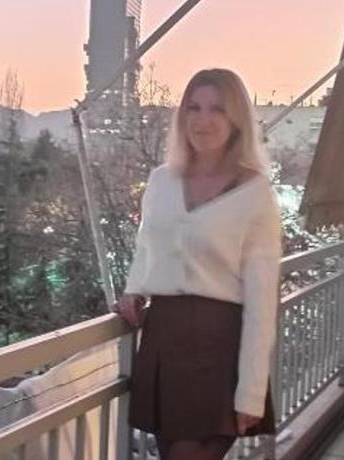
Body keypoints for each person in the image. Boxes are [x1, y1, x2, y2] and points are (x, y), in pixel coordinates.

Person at [114, 68, 282, 460]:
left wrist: (251, 391)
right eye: (194, 107)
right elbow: (147, 246)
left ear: (236, 119)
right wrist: (133, 290)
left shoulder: (255, 192)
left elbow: (262, 301)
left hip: (218, 347)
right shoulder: (161, 181)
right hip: (164, 337)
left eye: (217, 109)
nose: (203, 120)